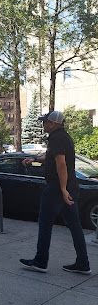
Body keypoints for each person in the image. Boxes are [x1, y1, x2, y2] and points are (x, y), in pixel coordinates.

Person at [20, 111, 91, 275]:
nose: (43, 124)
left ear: (52, 124)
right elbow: (53, 158)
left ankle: (40, 261)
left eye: (45, 122)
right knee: (74, 225)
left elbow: (61, 164)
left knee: (45, 222)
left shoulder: (56, 138)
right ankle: (83, 263)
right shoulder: (65, 137)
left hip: (57, 188)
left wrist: (63, 189)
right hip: (69, 187)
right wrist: (35, 159)